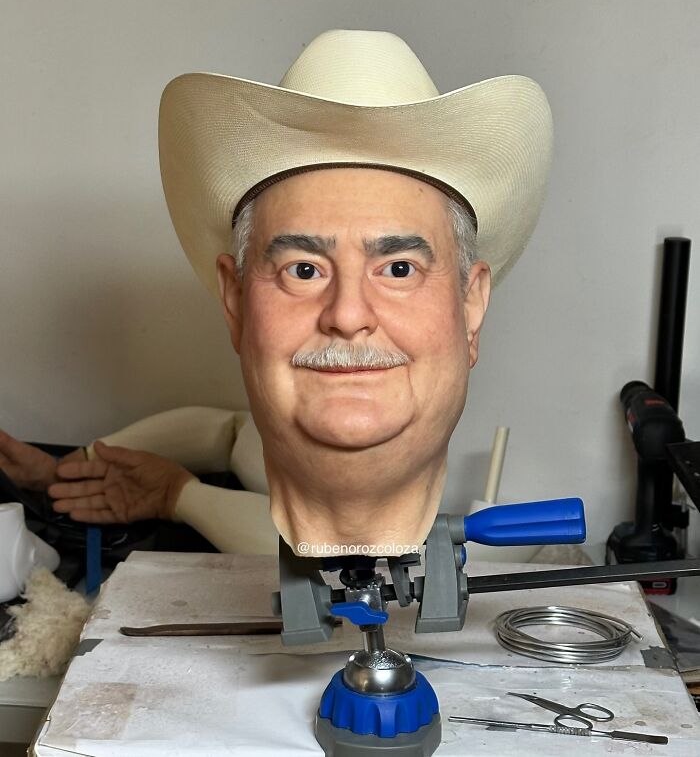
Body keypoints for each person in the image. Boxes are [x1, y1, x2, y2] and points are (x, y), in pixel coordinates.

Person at [0, 30, 552, 556]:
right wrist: (70, 466)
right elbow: (222, 432)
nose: (348, 314)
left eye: (399, 268)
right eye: (304, 271)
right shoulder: (263, 432)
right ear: (236, 302)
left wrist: (178, 496)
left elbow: (315, 554)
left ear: (470, 304)